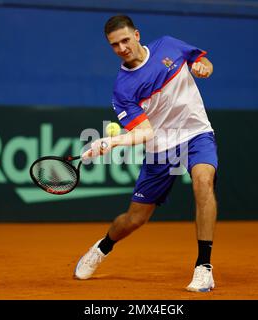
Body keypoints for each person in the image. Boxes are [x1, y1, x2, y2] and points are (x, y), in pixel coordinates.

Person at [74, 15, 218, 292]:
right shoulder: (122, 89)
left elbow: (203, 60)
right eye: (115, 45)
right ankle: (102, 247)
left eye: (125, 40)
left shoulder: (169, 45)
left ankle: (204, 267)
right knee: (135, 219)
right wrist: (112, 143)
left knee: (203, 182)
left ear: (137, 35)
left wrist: (204, 68)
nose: (122, 48)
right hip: (160, 148)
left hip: (195, 133)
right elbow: (144, 133)